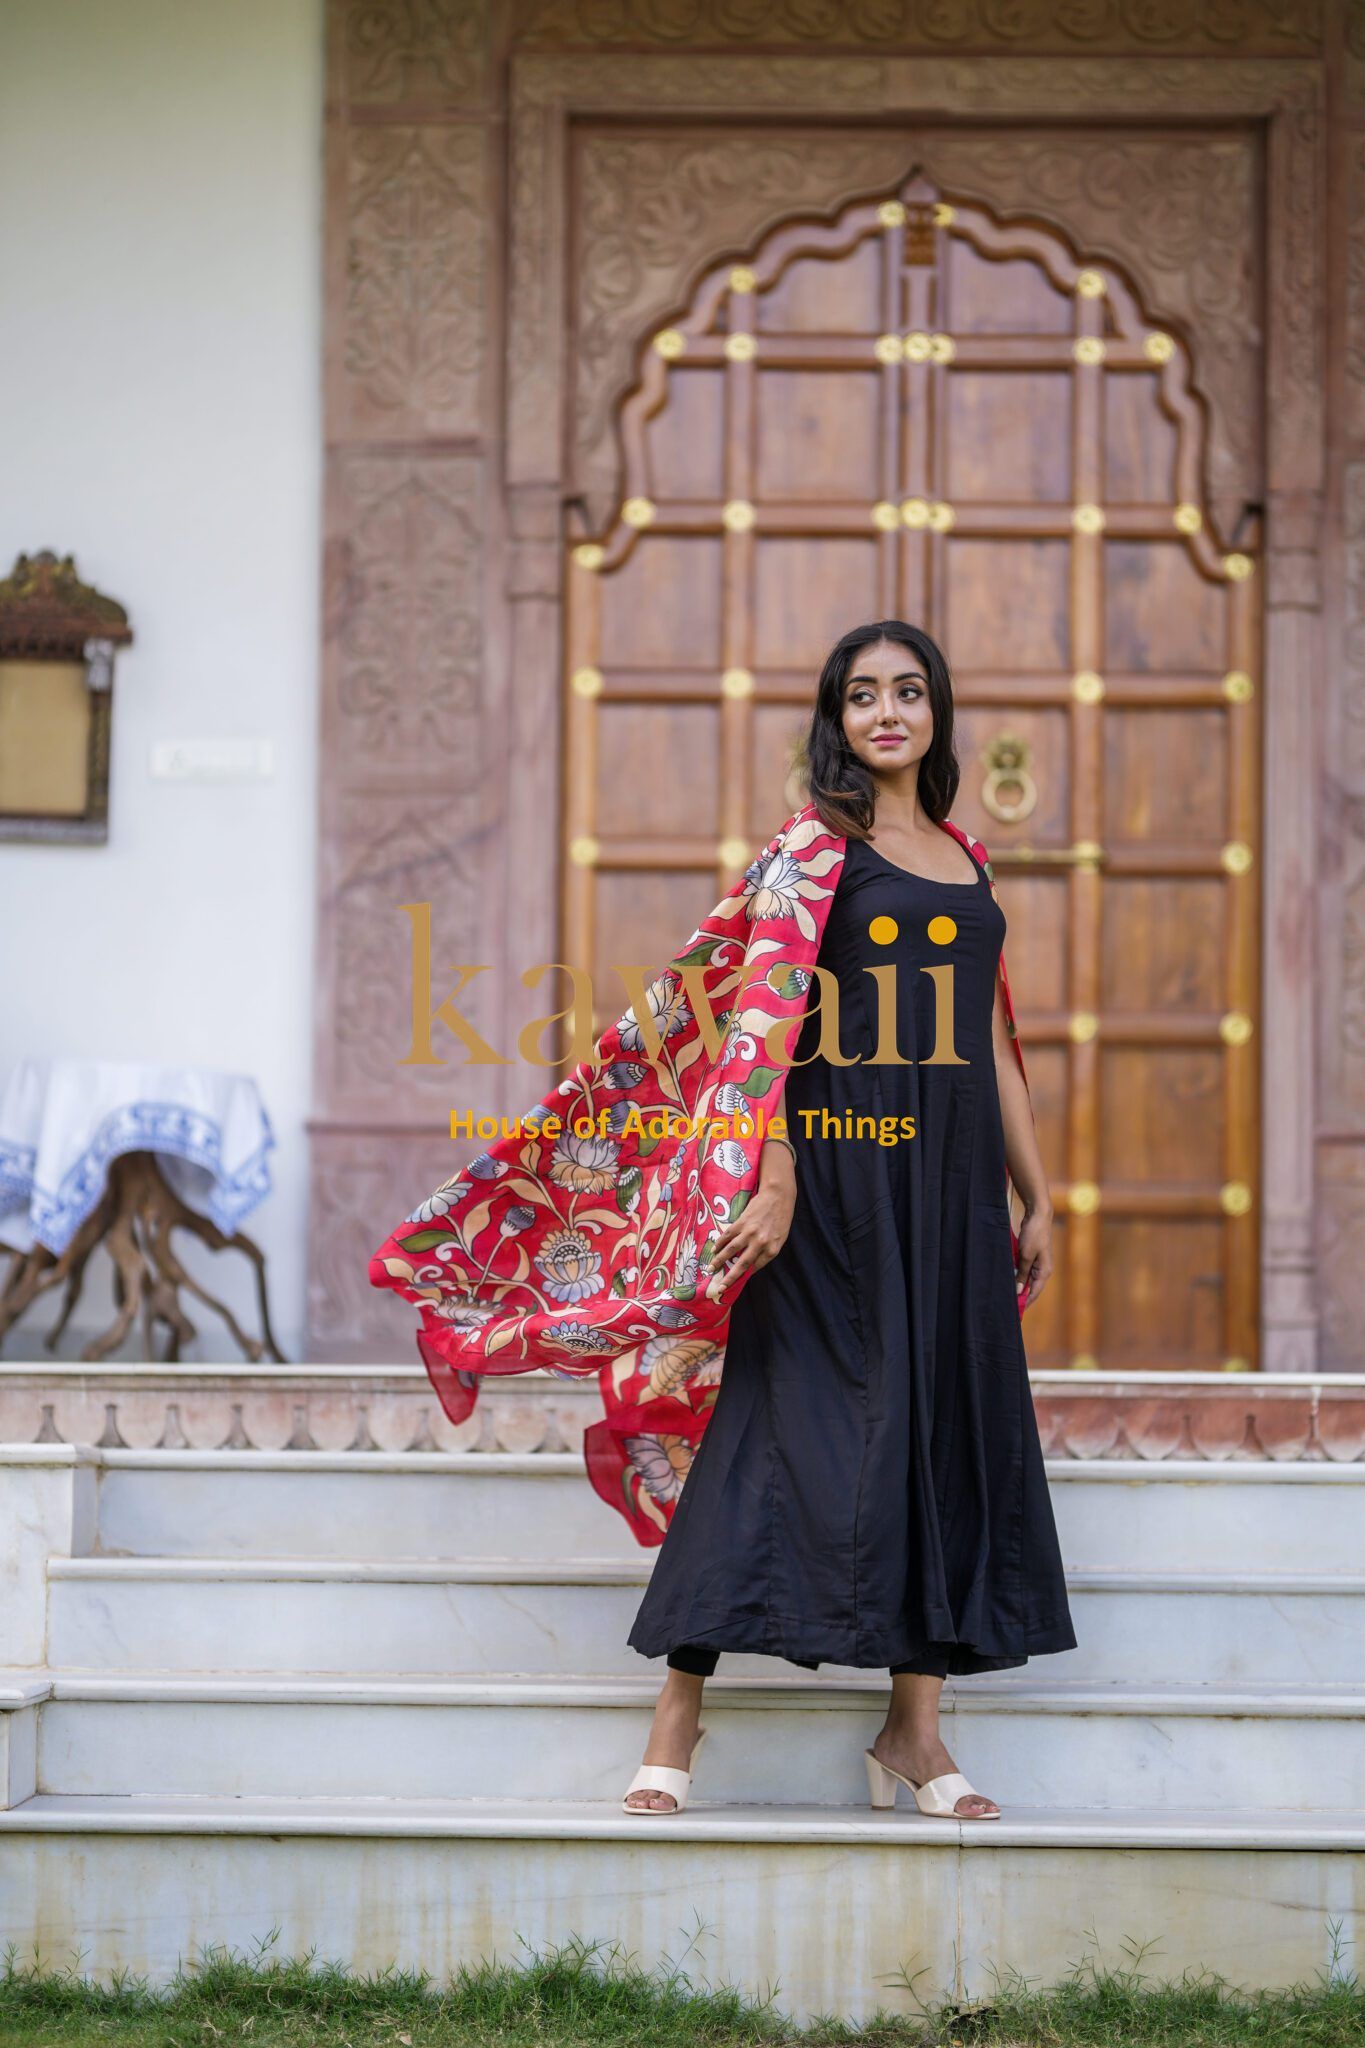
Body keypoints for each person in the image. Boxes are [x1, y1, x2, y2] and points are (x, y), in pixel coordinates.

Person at [619, 620, 1076, 1821]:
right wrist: (772, 1173)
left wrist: (1041, 1192)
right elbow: (764, 1024)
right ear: (837, 717)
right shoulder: (815, 852)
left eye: (909, 691)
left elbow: (989, 1037)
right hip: (833, 1173)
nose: (887, 711)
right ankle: (680, 1704)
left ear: (936, 714)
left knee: (939, 1419)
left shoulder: (969, 859)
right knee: (778, 1413)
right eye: (863, 693)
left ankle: (913, 1730)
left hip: (952, 1184)